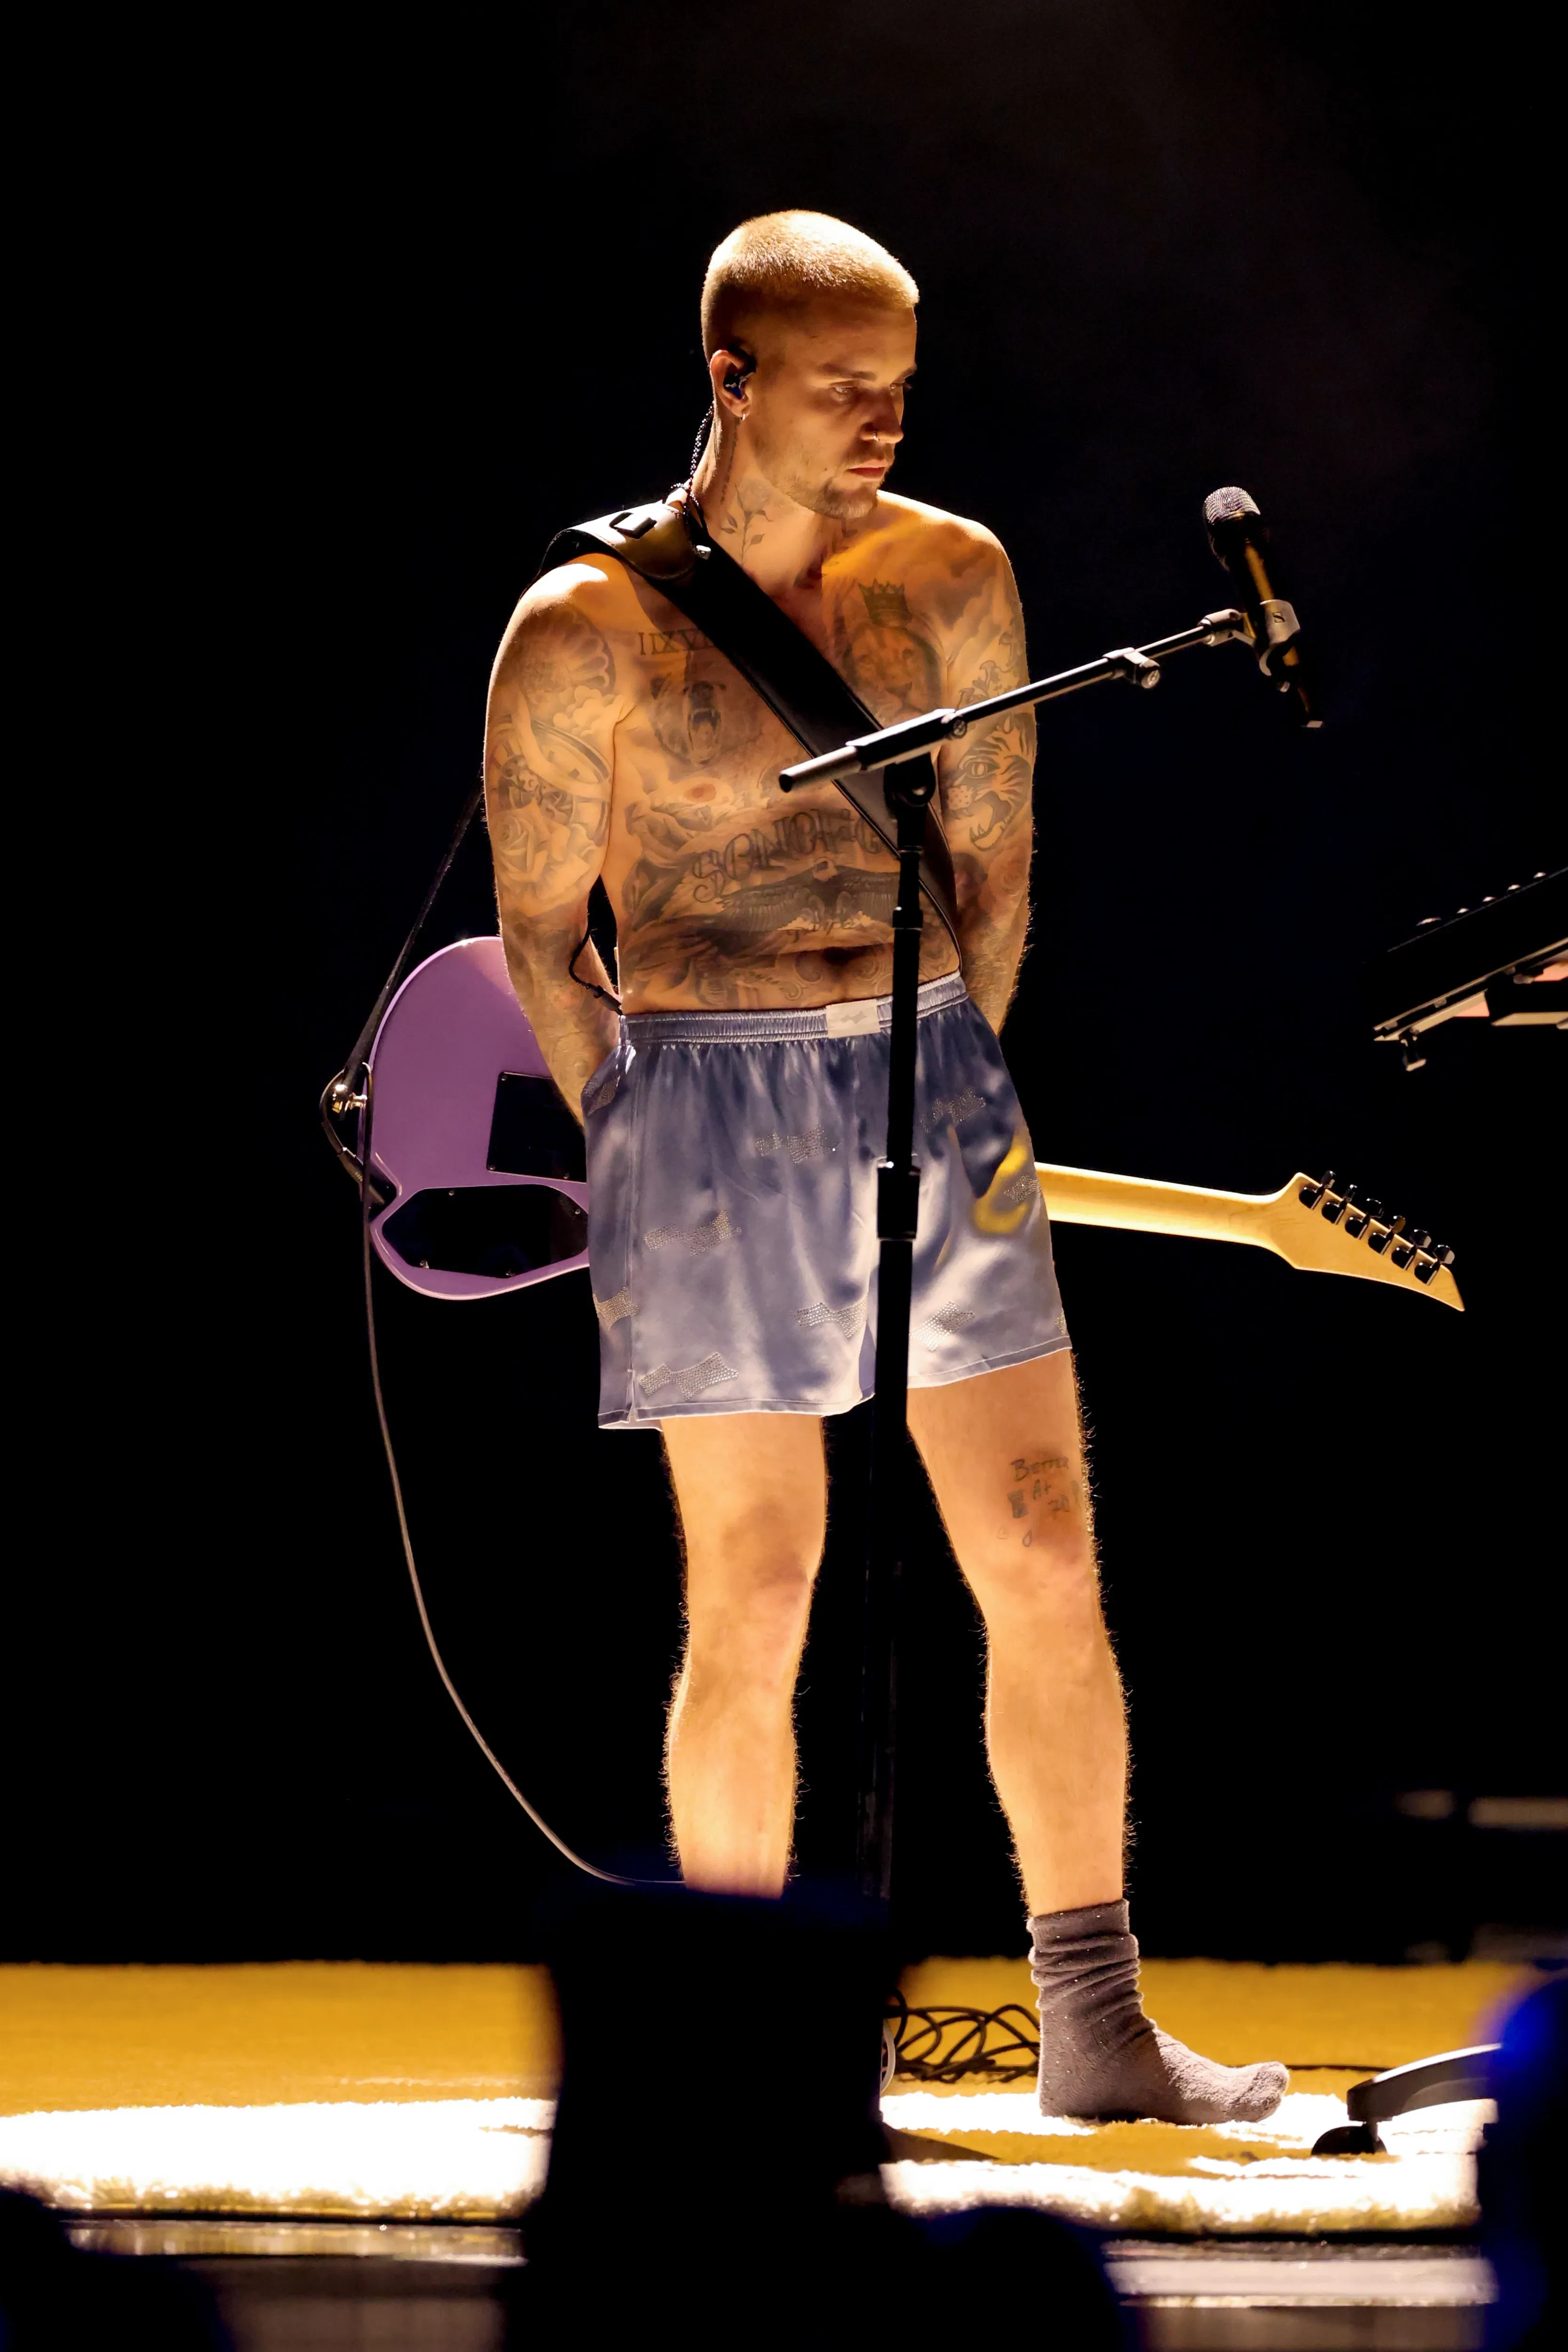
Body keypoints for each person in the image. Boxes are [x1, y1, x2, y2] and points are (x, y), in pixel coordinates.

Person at [484, 210, 1285, 2125]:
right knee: (756, 1585)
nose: (880, 420)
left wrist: (951, 1077)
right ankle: (733, 2055)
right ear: (730, 377)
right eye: (842, 387)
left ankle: (1093, 2020)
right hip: (701, 1094)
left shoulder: (952, 574)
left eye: (900, 387)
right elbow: (538, 931)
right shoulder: (580, 629)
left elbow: (995, 862)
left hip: (929, 1064)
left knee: (1041, 1549)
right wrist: (634, 1126)